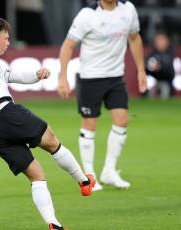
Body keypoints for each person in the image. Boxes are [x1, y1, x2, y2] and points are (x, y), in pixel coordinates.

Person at [0, 14, 95, 230]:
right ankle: (84, 180)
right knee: (52, 141)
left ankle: (53, 224)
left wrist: (37, 74)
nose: (8, 42)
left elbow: (15, 75)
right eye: (6, 38)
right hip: (4, 112)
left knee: (37, 176)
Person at [57, 0, 147, 191]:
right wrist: (62, 77)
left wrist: (141, 70)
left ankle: (109, 171)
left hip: (115, 76)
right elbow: (68, 45)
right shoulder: (87, 15)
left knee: (122, 120)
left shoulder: (128, 9)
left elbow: (135, 38)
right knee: (90, 124)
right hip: (90, 78)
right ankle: (90, 175)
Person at [145, 31, 175, 99]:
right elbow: (146, 68)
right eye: (159, 40)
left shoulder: (171, 53)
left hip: (166, 82)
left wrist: (160, 67)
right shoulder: (152, 54)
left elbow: (170, 71)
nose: (160, 42)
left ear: (167, 42)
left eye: (162, 40)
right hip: (154, 81)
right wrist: (151, 68)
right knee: (150, 85)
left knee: (165, 88)